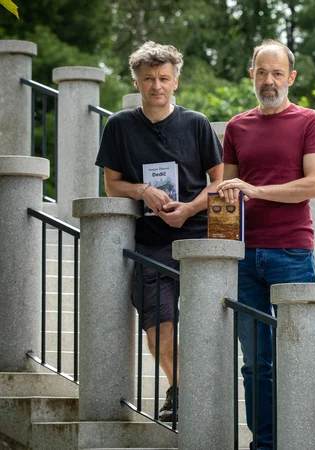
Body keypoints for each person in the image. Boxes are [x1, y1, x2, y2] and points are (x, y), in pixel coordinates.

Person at [95, 41, 224, 422]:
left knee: (205, 321)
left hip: (198, 237)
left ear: (175, 82)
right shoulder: (119, 126)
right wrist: (142, 191)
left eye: (163, 78)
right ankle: (181, 390)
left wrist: (188, 209)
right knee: (158, 326)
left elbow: (219, 182)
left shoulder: (196, 123)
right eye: (148, 78)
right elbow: (112, 185)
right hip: (150, 242)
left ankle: (201, 395)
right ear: (136, 82)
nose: (156, 86)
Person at [217, 39, 315, 450]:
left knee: (295, 358)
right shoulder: (235, 127)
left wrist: (255, 190)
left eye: (277, 73)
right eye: (262, 73)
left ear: (291, 77)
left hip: (291, 253)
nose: (269, 81)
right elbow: (226, 190)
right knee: (255, 364)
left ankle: (298, 440)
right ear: (251, 75)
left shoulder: (309, 121)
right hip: (243, 257)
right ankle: (264, 445)